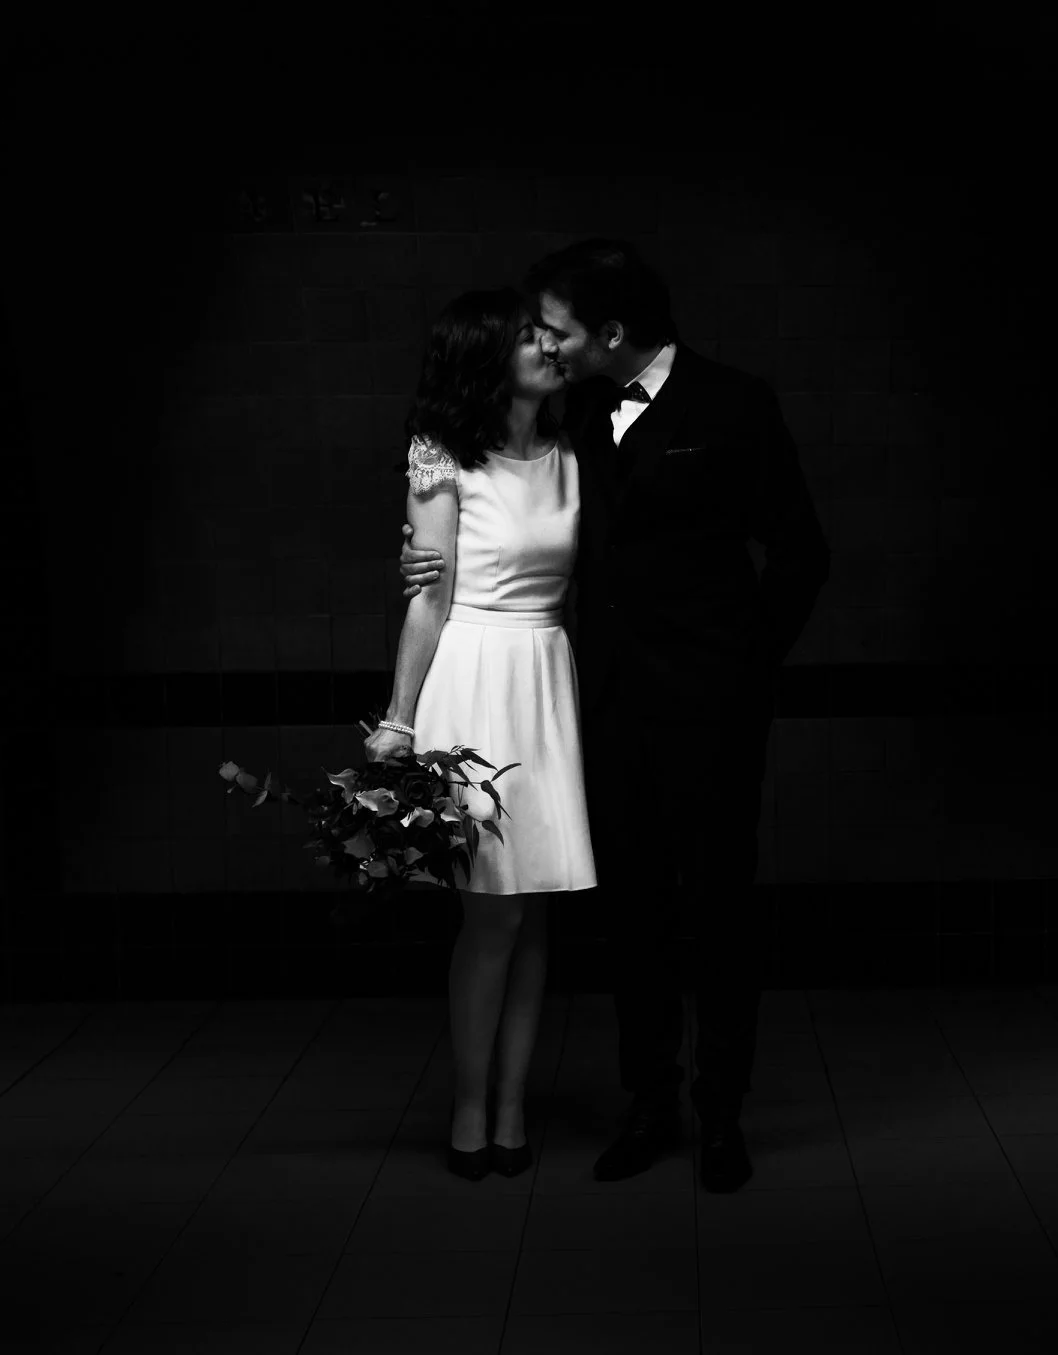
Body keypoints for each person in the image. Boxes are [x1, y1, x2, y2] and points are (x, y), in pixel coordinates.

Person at [399, 240, 830, 1193]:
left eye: (555, 328)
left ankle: (722, 1113)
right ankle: (650, 1102)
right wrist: (424, 550)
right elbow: (493, 503)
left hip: (712, 710)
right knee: (634, 911)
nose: (546, 344)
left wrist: (748, 668)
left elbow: (802, 549)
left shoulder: (735, 403)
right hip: (600, 710)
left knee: (718, 906)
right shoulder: (579, 415)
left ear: (611, 331)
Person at [363, 286, 594, 1183]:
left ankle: (511, 1106)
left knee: (534, 918)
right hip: (475, 674)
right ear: (487, 358)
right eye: (530, 336)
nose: (550, 346)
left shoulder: (575, 450)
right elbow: (428, 600)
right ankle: (469, 1105)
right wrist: (398, 720)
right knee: (493, 914)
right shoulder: (442, 452)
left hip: (545, 676)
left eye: (549, 334)